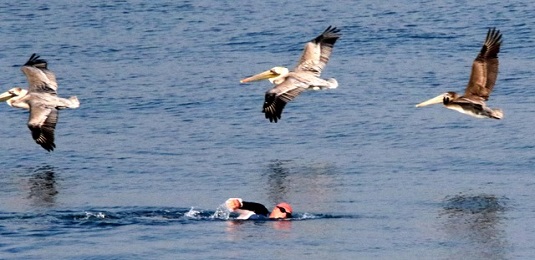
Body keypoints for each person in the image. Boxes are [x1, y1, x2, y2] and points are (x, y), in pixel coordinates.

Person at [225, 198, 293, 220]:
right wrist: (239, 204)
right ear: (275, 209)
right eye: (283, 210)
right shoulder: (261, 210)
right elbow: (253, 206)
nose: (284, 215)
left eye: (288, 215)